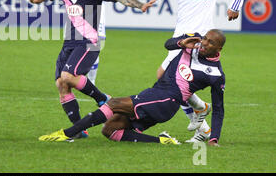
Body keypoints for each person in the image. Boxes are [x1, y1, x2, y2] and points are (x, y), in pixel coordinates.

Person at [116, 0, 245, 143]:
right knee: (167, 78)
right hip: (181, 36)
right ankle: (201, 115)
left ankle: (202, 119)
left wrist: (235, 6)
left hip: (200, 39)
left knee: (169, 79)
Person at [29, 0, 156, 138]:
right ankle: (80, 131)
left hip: (89, 41)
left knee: (68, 76)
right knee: (62, 85)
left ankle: (103, 99)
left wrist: (140, 5)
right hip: (69, 41)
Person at [39, 29, 226, 148]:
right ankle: (162, 140)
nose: (204, 43)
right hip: (154, 93)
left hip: (167, 101)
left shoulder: (216, 75)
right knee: (110, 130)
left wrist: (214, 138)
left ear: (219, 48)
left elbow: (218, 108)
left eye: (210, 42)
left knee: (113, 103)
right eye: (205, 39)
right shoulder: (192, 43)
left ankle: (66, 134)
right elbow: (167, 44)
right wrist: (180, 43)